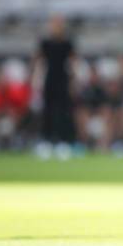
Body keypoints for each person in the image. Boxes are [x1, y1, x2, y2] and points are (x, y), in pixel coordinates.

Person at [30, 15, 77, 149]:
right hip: (50, 79)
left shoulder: (67, 42)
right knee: (48, 111)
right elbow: (36, 59)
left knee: (63, 112)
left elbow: (73, 62)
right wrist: (34, 78)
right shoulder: (45, 42)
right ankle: (46, 140)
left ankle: (64, 141)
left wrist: (73, 81)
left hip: (63, 79)